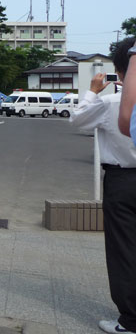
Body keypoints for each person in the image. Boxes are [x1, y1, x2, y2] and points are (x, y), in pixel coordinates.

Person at [71, 37, 136, 334]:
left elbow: (79, 122)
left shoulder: (113, 102)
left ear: (120, 71)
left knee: (125, 250)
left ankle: (130, 321)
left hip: (123, 181)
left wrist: (93, 92)